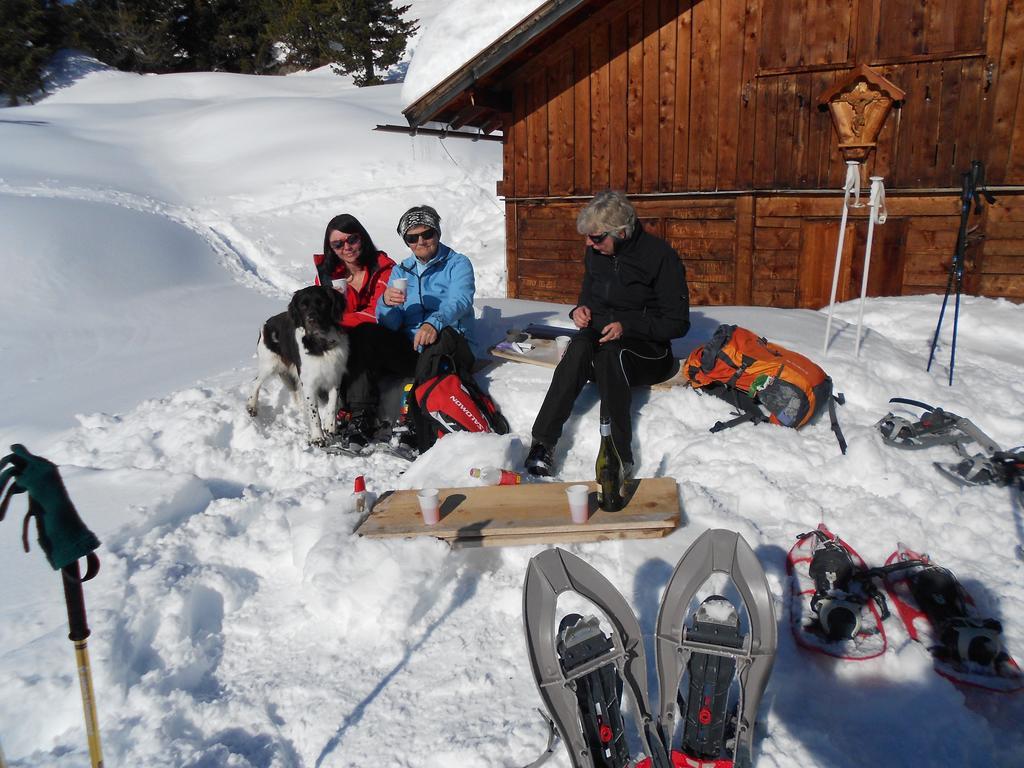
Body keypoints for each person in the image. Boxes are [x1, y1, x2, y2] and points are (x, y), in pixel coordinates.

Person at [525, 190, 690, 477]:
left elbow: (677, 323)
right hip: (602, 337)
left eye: (597, 237)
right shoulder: (596, 253)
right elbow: (588, 296)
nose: (590, 243)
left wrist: (628, 325)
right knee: (578, 347)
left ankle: (616, 455)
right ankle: (543, 442)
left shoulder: (660, 257)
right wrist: (580, 310)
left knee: (613, 356)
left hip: (649, 351)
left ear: (622, 232)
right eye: (588, 237)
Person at [364, 205, 477, 451]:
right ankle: (361, 417)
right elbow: (391, 324)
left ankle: (416, 428)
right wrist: (385, 303)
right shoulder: (401, 270)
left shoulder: (457, 263)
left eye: (427, 234)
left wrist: (432, 323)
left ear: (437, 233)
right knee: (368, 334)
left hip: (453, 345)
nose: (421, 241)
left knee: (440, 336)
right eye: (412, 238)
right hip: (414, 348)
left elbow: (460, 300)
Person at [312, 213, 395, 444]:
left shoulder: (384, 268)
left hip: (383, 341)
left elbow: (377, 313)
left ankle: (362, 415)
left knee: (363, 333)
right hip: (342, 343)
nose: (346, 247)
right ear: (330, 248)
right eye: (338, 244)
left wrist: (337, 324)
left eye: (352, 240)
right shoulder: (327, 276)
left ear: (363, 238)